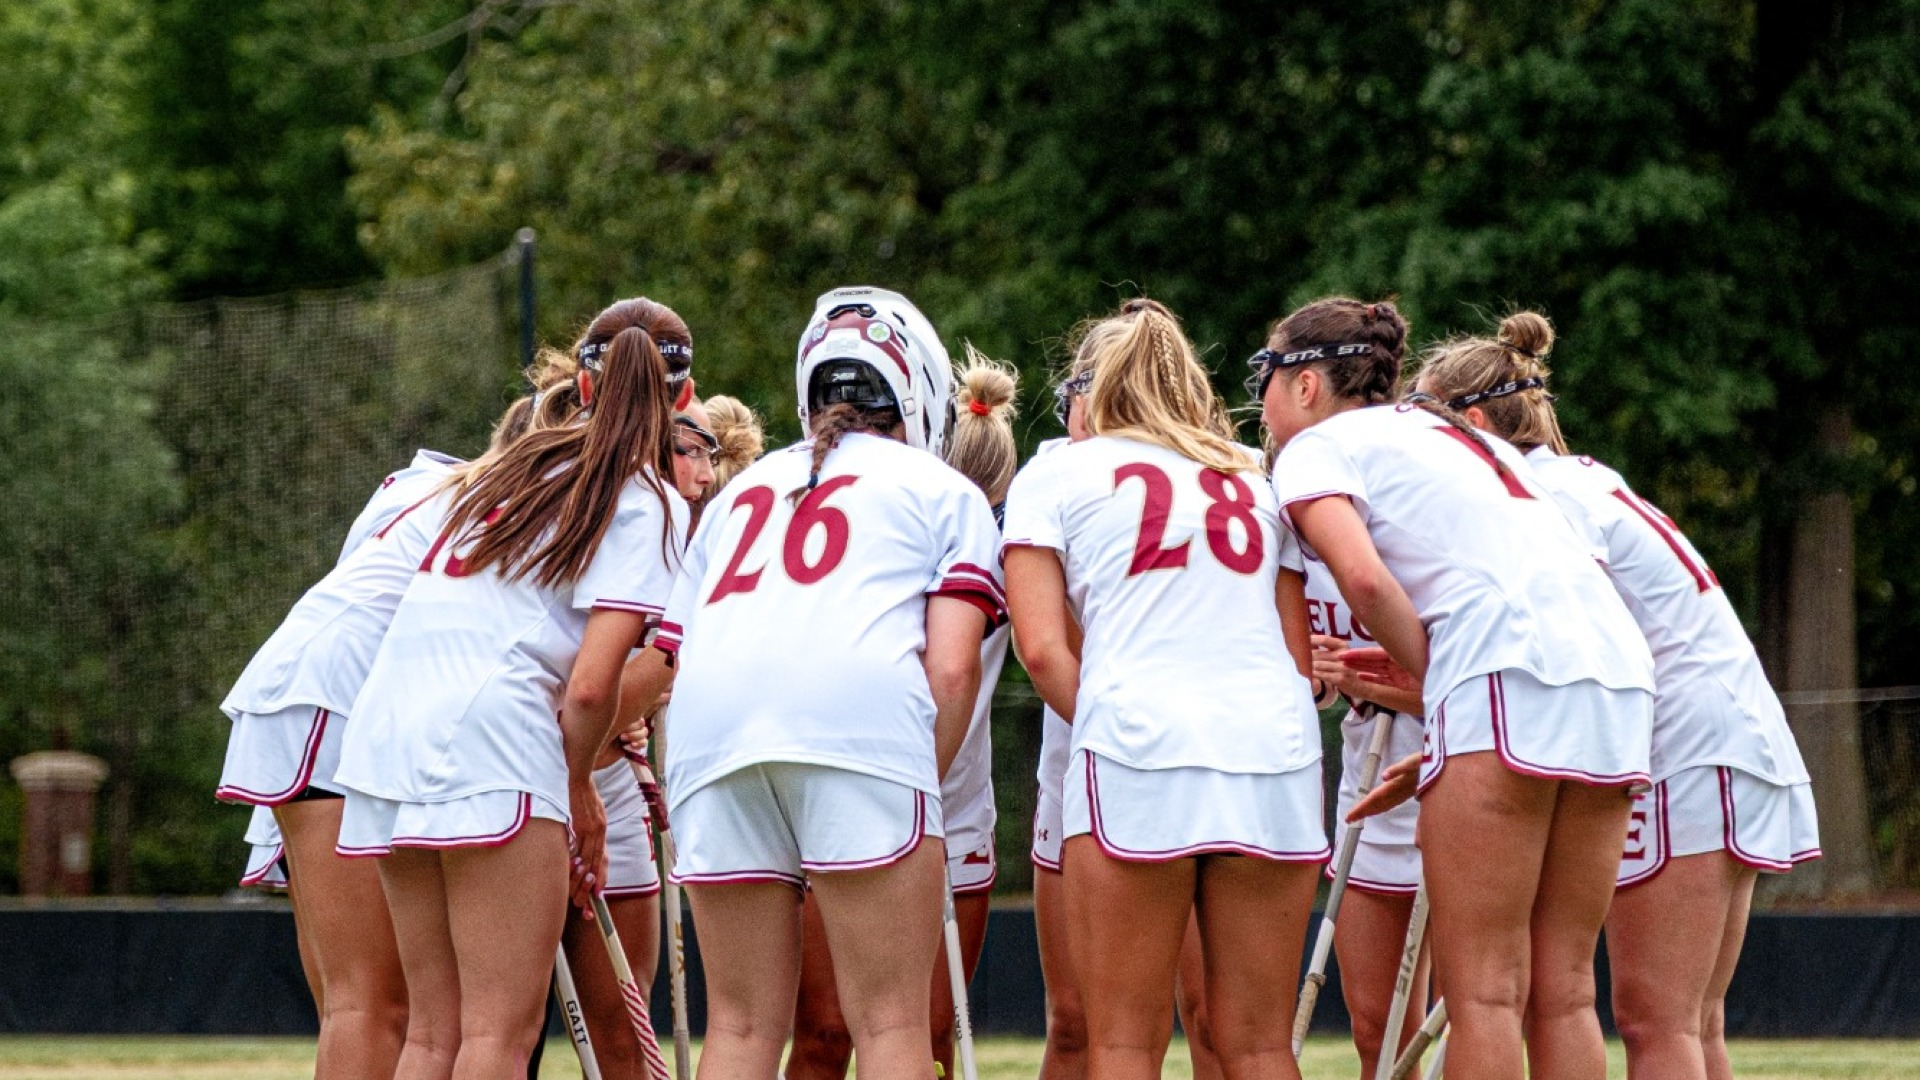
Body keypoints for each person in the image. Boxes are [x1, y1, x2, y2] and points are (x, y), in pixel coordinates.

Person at [1412, 310, 1818, 1080]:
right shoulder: (1585, 476)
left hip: (1679, 742)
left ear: (1470, 424)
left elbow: (1572, 635)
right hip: (1733, 734)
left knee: (1654, 1018)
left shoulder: (1534, 495)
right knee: (1692, 1023)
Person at [1258, 297, 1655, 1080]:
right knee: (1567, 991)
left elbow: (1365, 583)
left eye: (1266, 373)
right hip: (1618, 674)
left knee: (1487, 995)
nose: (1260, 394)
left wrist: (1444, 688)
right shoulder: (1454, 434)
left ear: (1307, 384)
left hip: (1503, 670)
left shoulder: (1316, 448)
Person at [644, 287, 1004, 1080]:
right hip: (862, 733)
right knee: (889, 1026)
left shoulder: (740, 491)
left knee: (738, 1028)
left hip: (713, 739)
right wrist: (921, 783)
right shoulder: (947, 493)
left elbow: (671, 659)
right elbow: (950, 669)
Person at [332, 297, 690, 1080]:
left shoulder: (508, 466)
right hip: (497, 743)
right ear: (684, 399)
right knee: (496, 1033)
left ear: (582, 387)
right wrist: (578, 792)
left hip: (388, 732)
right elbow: (592, 687)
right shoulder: (649, 500)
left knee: (434, 1032)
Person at [1004, 298, 1325, 1080]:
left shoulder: (1056, 473)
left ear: (1096, 387)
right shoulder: (1252, 474)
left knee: (1122, 1044)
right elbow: (1300, 660)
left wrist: (1114, 724)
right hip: (1273, 755)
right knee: (1259, 1045)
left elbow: (1042, 651)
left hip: (1137, 750)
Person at [216, 379, 571, 1079]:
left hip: (314, 698)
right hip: (342, 701)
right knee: (374, 1007)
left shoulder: (423, 485)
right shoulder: (506, 500)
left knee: (361, 1005)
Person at [785, 347, 1018, 1080]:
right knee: (826, 1033)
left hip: (953, 810)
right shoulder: (876, 530)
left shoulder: (1013, 543)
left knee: (927, 1036)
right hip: (847, 798)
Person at [557, 405, 721, 1079]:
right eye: (689, 450)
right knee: (489, 1028)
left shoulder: (692, 543)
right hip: (529, 775)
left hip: (611, 787)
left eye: (711, 453)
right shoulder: (622, 521)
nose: (705, 474)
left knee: (625, 1035)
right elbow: (588, 698)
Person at [1302, 549, 1430, 1079]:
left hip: (1463, 773)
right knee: (1377, 1030)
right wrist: (1319, 676)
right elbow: (1313, 686)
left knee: (1472, 1017)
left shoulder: (1431, 528)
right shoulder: (1294, 548)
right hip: (1370, 783)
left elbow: (1488, 690)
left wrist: (1365, 679)